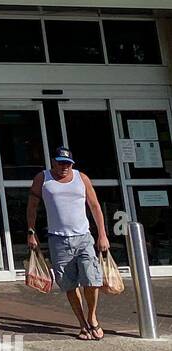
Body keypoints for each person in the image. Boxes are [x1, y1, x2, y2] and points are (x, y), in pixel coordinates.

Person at [26, 146, 111, 340]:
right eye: (61, 163)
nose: (64, 167)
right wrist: (31, 232)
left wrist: (102, 235)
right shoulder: (43, 179)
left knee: (92, 279)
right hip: (58, 240)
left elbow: (95, 206)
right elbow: (32, 207)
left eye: (68, 164)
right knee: (69, 284)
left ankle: (92, 317)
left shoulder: (82, 178)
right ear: (53, 163)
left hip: (83, 237)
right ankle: (82, 324)